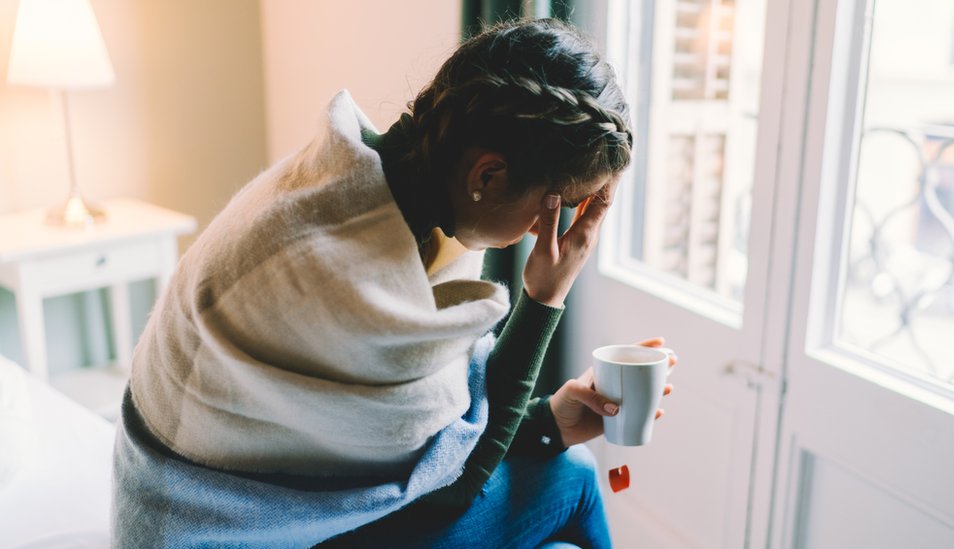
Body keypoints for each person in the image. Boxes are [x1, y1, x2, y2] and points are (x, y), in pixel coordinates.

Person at [111, 17, 674, 549]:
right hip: (215, 527)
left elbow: (429, 435)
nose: (544, 232)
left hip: (182, 500)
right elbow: (450, 490)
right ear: (487, 174)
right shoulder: (352, 281)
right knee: (573, 477)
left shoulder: (355, 182)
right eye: (556, 208)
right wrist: (545, 296)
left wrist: (546, 422)